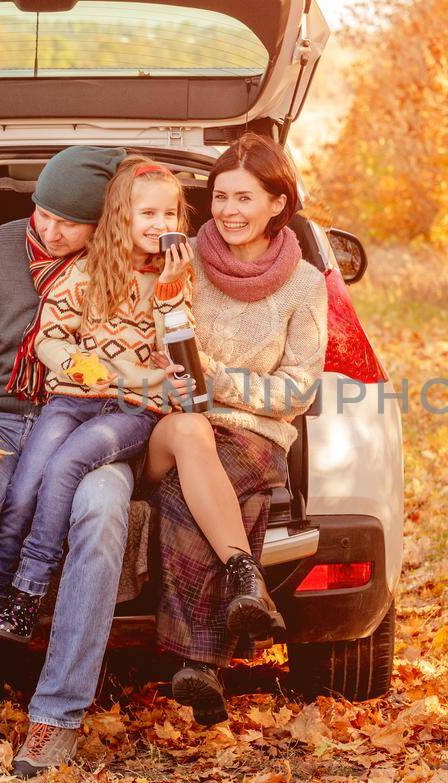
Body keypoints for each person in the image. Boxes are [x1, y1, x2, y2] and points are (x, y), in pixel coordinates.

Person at [0, 146, 141, 779]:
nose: (47, 230)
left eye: (67, 223)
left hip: (87, 422)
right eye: (42, 213)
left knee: (103, 515)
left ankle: (56, 718)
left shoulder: (124, 269)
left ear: (101, 226)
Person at [144, 133, 328, 725]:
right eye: (220, 197)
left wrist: (217, 379)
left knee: (185, 494)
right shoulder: (184, 262)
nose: (228, 211)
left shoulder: (305, 286)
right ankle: (243, 592)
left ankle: (199, 666)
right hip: (179, 423)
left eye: (244, 198)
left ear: (278, 203)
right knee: (208, 475)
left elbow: (299, 390)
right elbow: (159, 348)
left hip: (256, 437)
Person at [0, 157, 194, 647]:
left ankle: (27, 590)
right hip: (71, 400)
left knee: (67, 466)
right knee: (21, 490)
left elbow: (179, 352)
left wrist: (167, 293)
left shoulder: (176, 281)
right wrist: (88, 367)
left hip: (132, 413)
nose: (159, 225)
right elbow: (49, 339)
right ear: (121, 215)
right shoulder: (84, 272)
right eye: (147, 214)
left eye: (170, 215)